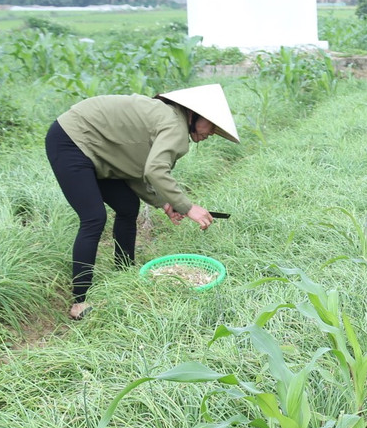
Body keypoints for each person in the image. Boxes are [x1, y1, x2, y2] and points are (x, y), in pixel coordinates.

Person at [45, 84, 240, 319]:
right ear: (195, 114)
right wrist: (189, 208)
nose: (211, 133)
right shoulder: (174, 126)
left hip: (96, 147)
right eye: (212, 125)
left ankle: (124, 272)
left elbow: (137, 171)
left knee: (127, 206)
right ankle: (79, 302)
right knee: (94, 218)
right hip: (72, 140)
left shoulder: (169, 117)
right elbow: (156, 170)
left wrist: (165, 204)